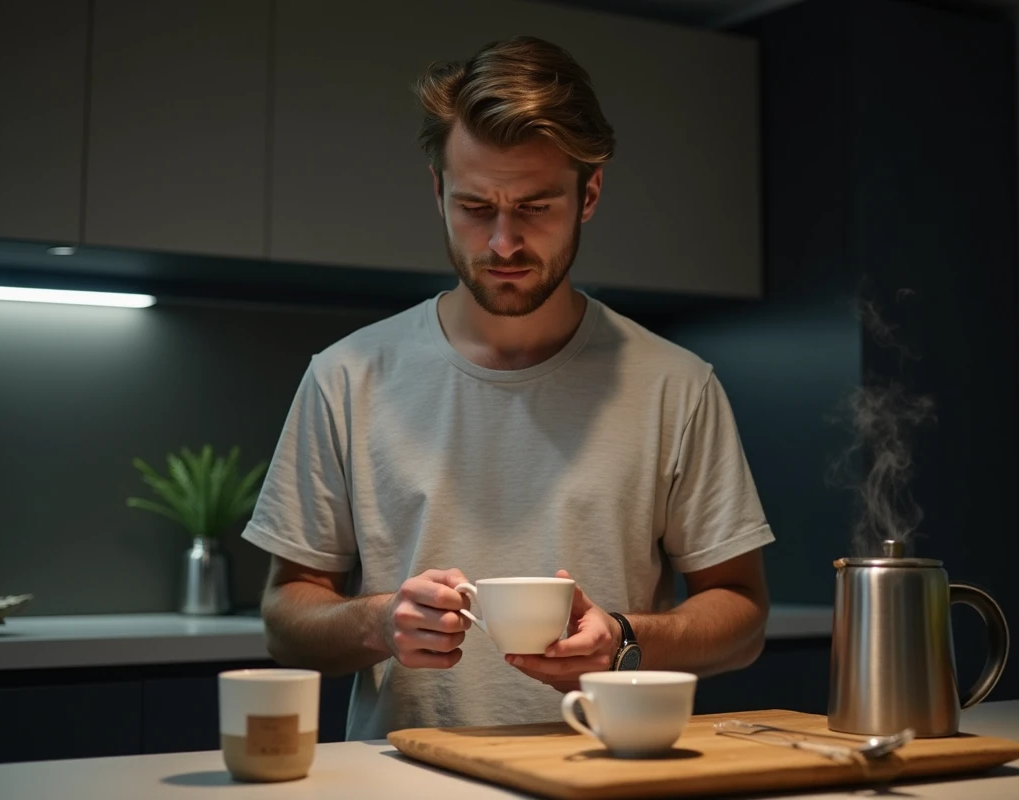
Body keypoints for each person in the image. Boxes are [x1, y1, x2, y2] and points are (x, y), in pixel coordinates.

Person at [241, 35, 775, 742]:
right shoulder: (346, 377)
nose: (501, 243)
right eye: (474, 207)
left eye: (534, 207)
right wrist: (379, 621)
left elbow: (741, 617)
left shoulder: (676, 386)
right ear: (437, 192)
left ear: (588, 195)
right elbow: (285, 621)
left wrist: (623, 636)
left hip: (608, 778)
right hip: (405, 784)